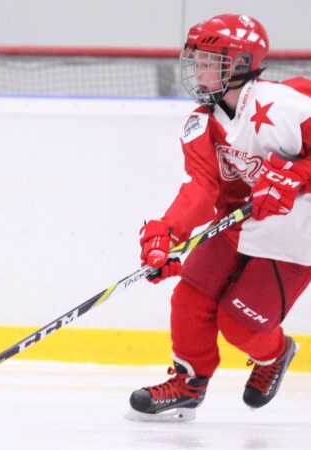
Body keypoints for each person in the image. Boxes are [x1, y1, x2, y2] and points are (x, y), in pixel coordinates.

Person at [128, 14, 311, 420]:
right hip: (239, 225)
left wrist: (295, 177)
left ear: (242, 63)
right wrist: (168, 233)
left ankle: (276, 354)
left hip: (295, 235)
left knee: (240, 326)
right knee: (190, 297)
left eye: (212, 61)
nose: (200, 69)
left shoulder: (283, 105)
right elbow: (200, 187)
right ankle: (188, 384)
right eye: (198, 60)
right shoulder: (200, 122)